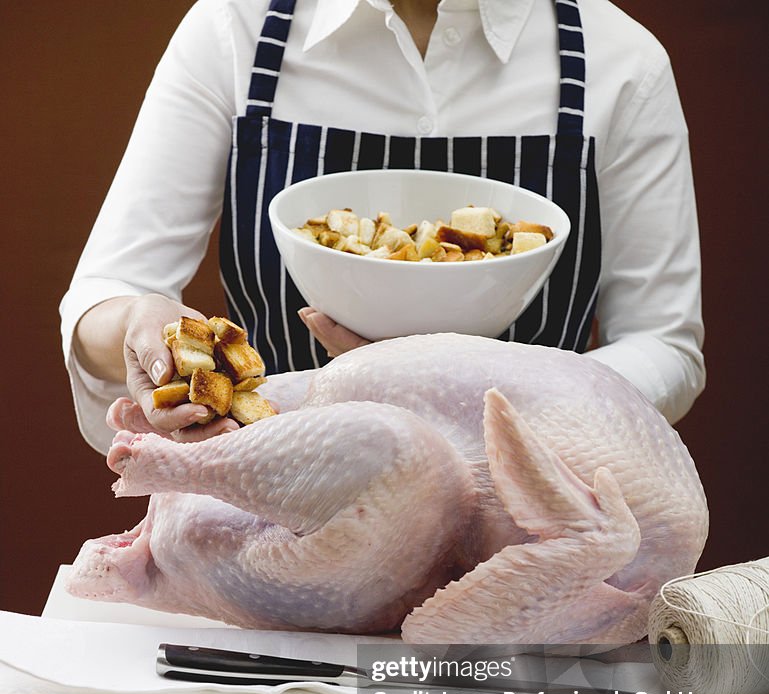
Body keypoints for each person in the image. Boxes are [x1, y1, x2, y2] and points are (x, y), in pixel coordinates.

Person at [61, 0, 704, 455]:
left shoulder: (617, 60)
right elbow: (108, 291)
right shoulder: (238, 28)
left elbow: (664, 345)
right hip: (274, 500)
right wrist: (138, 322)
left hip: (523, 523)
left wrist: (499, 393)